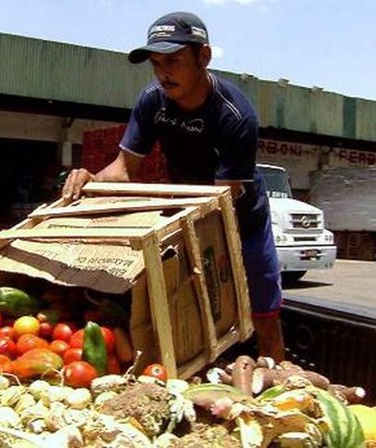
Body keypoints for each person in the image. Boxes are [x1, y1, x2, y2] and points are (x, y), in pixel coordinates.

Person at [62, 11, 286, 361]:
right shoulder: (153, 100)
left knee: (263, 312)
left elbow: (224, 197)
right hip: (186, 208)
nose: (163, 73)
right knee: (186, 308)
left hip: (241, 217)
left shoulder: (235, 114)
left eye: (173, 61)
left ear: (204, 56)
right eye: (156, 63)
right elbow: (123, 168)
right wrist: (92, 181)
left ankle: (281, 373)